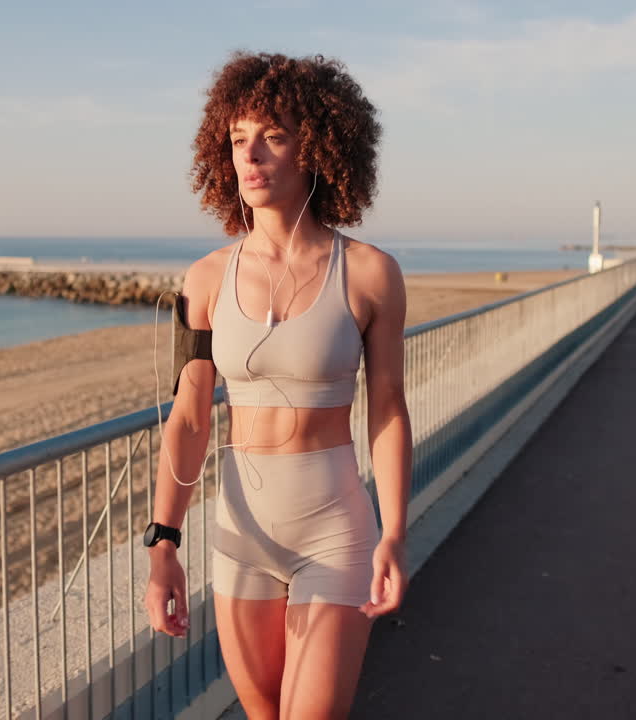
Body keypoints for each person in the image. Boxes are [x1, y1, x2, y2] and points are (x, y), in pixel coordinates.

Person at [144, 52, 411, 719]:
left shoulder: (371, 274)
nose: (251, 155)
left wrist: (394, 531)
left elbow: (387, 410)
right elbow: (188, 420)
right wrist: (164, 542)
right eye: (238, 140)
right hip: (241, 533)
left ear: (318, 147)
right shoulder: (205, 281)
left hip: (334, 530)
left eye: (274, 136)